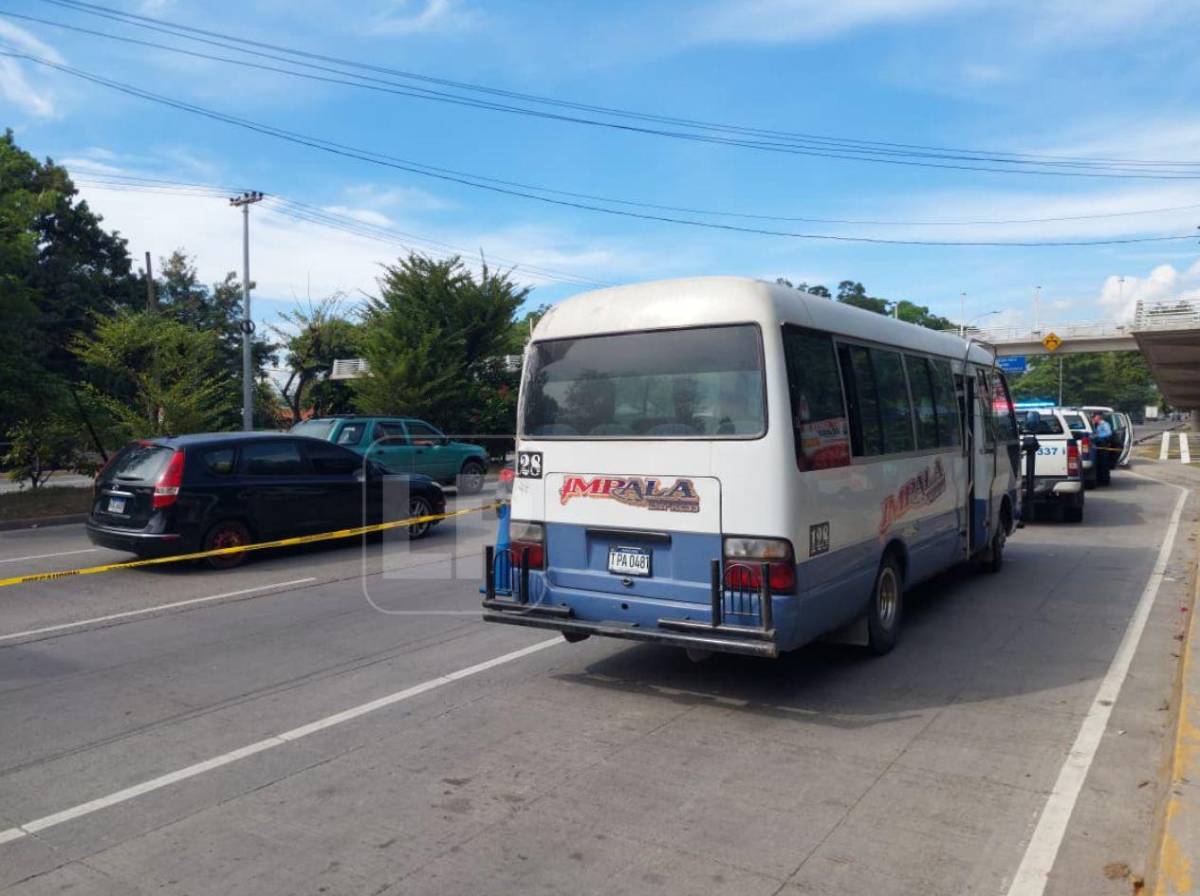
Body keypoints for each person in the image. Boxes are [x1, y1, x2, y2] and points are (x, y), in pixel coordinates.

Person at [1092, 411, 1113, 485]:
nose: (1094, 418)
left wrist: (1098, 436)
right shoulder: (1095, 425)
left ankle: (1105, 480)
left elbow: (1109, 433)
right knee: (1098, 464)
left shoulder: (1104, 424)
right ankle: (1099, 479)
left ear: (1098, 417)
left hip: (1103, 446)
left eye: (1095, 417)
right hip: (1097, 446)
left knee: (1104, 464)